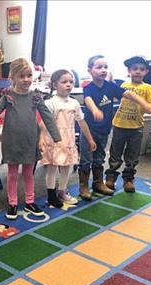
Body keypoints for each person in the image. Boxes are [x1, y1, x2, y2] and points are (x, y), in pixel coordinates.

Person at [0, 58, 63, 219]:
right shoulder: (8, 97)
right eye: (21, 76)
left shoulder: (36, 97)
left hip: (30, 141)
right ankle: (12, 203)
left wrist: (57, 138)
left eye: (29, 75)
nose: (26, 79)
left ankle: (30, 201)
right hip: (12, 142)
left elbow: (47, 117)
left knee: (28, 173)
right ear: (12, 77)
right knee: (13, 174)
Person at [79, 55, 151, 198]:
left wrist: (144, 104)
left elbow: (129, 94)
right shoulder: (88, 87)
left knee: (99, 158)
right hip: (89, 131)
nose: (103, 70)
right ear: (90, 70)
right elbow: (87, 99)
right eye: (99, 67)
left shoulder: (111, 86)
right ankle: (84, 187)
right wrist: (94, 109)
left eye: (105, 67)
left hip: (104, 130)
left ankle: (98, 183)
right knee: (86, 159)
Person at [42, 69, 96, 208]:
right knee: (52, 168)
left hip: (69, 140)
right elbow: (43, 124)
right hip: (54, 141)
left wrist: (90, 139)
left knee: (66, 167)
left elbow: (82, 122)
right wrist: (41, 139)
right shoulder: (50, 103)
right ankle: (51, 195)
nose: (68, 85)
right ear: (54, 85)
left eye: (71, 82)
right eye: (64, 82)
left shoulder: (74, 103)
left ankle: (62, 191)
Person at [105, 56, 151, 192]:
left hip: (136, 127)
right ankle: (111, 177)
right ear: (129, 71)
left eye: (141, 69)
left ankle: (128, 179)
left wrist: (147, 107)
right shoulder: (124, 86)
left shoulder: (147, 88)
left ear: (146, 72)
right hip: (119, 125)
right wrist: (109, 83)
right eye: (135, 69)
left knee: (132, 155)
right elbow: (114, 96)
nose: (138, 72)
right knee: (115, 153)